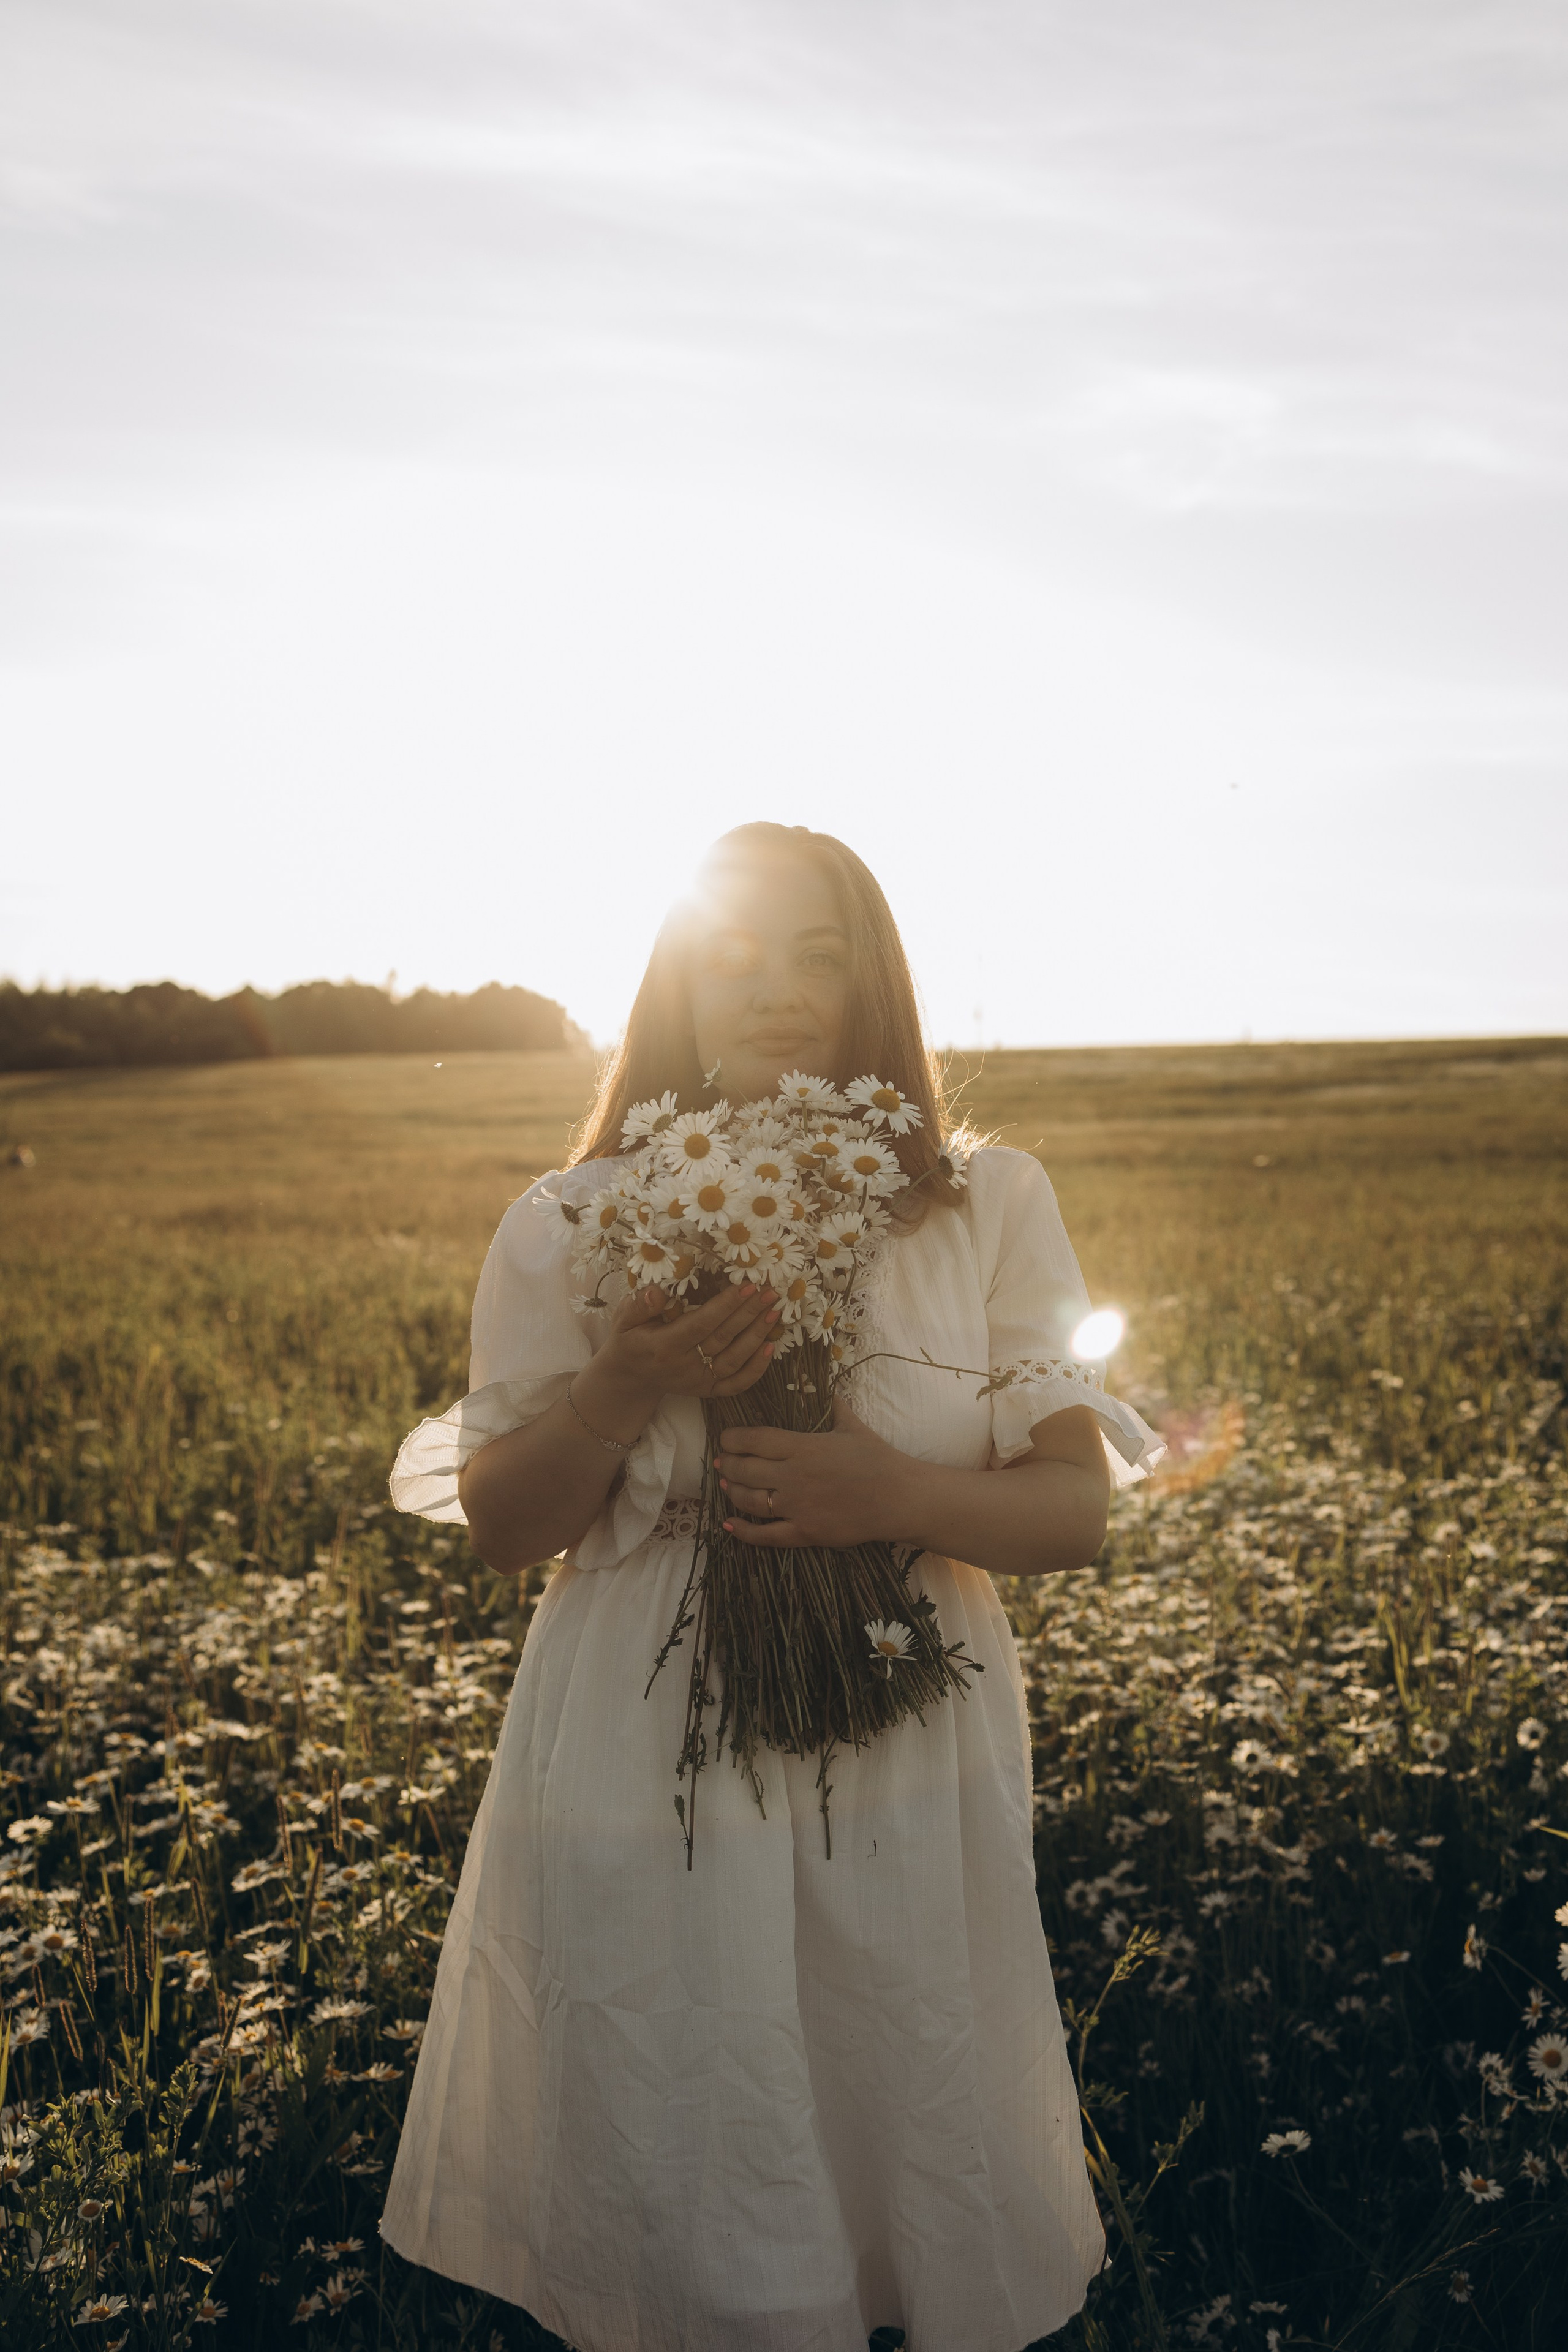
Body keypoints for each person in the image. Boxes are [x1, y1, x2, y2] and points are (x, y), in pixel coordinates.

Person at [380, 823, 1163, 2352]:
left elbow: (1074, 1510)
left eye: (822, 953)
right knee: (685, 2094)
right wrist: (621, 1385)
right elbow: (495, 1524)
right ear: (676, 972)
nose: (780, 990)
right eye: (736, 951)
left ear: (874, 982)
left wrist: (898, 1497)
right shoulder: (574, 1212)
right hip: (641, 1725)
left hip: (898, 1716)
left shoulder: (981, 1200)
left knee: (899, 2073)